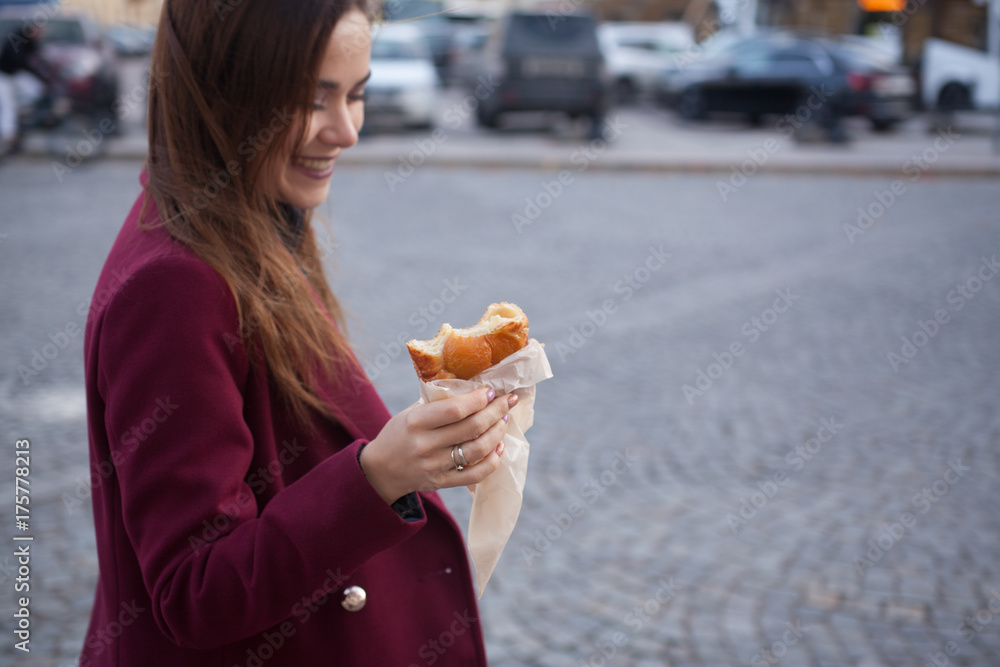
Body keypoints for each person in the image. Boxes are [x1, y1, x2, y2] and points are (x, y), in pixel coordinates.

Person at [81, 1, 514, 664]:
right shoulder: (177, 282)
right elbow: (191, 590)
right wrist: (379, 475)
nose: (346, 131)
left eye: (357, 94)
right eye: (312, 100)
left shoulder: (247, 217)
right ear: (222, 92)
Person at [0, 24, 54, 155]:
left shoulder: (31, 42)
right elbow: (19, 62)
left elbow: (38, 57)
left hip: (15, 77)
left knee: (36, 90)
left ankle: (19, 114)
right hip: (5, 76)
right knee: (8, 108)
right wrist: (37, 73)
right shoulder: (18, 39)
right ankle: (9, 141)